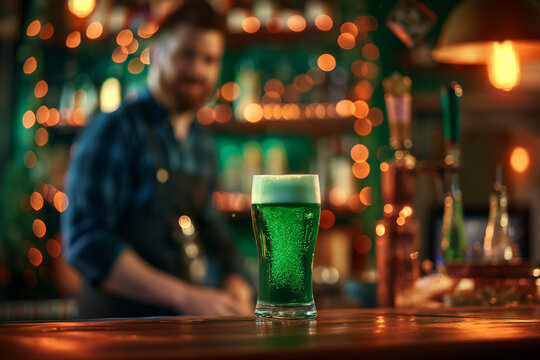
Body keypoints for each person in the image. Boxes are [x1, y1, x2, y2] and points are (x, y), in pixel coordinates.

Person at [61, 0, 253, 318]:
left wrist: (237, 279)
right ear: (156, 51)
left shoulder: (201, 143)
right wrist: (187, 298)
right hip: (113, 332)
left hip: (180, 330)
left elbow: (211, 227)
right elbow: (86, 242)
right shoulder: (114, 129)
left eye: (210, 59)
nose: (197, 70)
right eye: (186, 54)